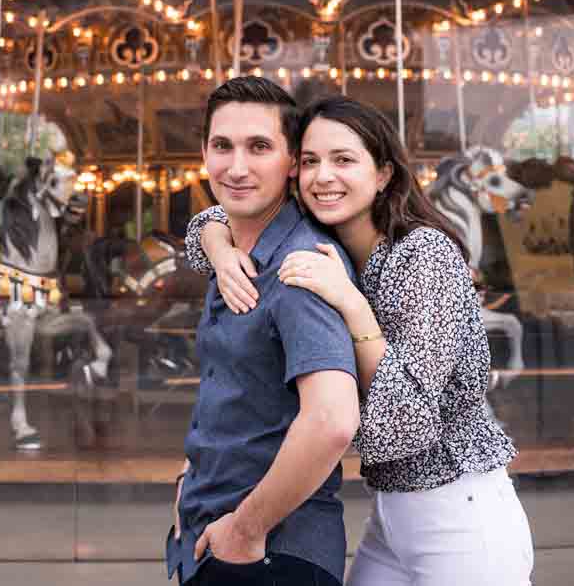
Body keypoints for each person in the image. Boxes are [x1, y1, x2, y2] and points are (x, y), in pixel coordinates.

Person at [188, 97, 534, 586]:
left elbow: (406, 422)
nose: (323, 176)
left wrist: (352, 304)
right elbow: (207, 222)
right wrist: (220, 251)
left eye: (344, 160)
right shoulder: (334, 248)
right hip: (393, 513)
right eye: (310, 161)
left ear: (384, 173)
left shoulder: (423, 256)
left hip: (460, 506)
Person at [168, 76, 360, 585]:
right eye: (222, 146)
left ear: (293, 162)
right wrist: (200, 476)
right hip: (217, 534)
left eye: (259, 147)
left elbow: (333, 419)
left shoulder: (301, 266)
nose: (236, 167)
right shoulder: (234, 247)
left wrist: (245, 529)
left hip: (270, 554)